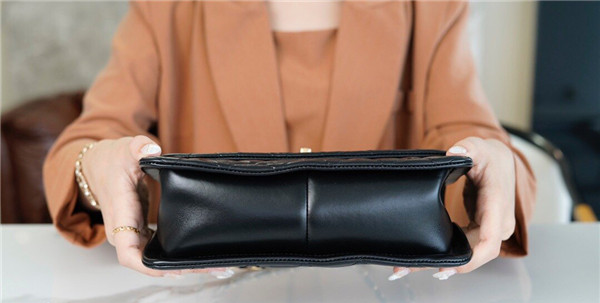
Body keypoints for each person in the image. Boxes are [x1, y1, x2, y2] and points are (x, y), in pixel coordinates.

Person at [43, 0, 536, 281]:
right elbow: (86, 142)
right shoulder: (166, 9)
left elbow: (473, 136)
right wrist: (96, 165)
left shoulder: (431, 7)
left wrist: (492, 167)